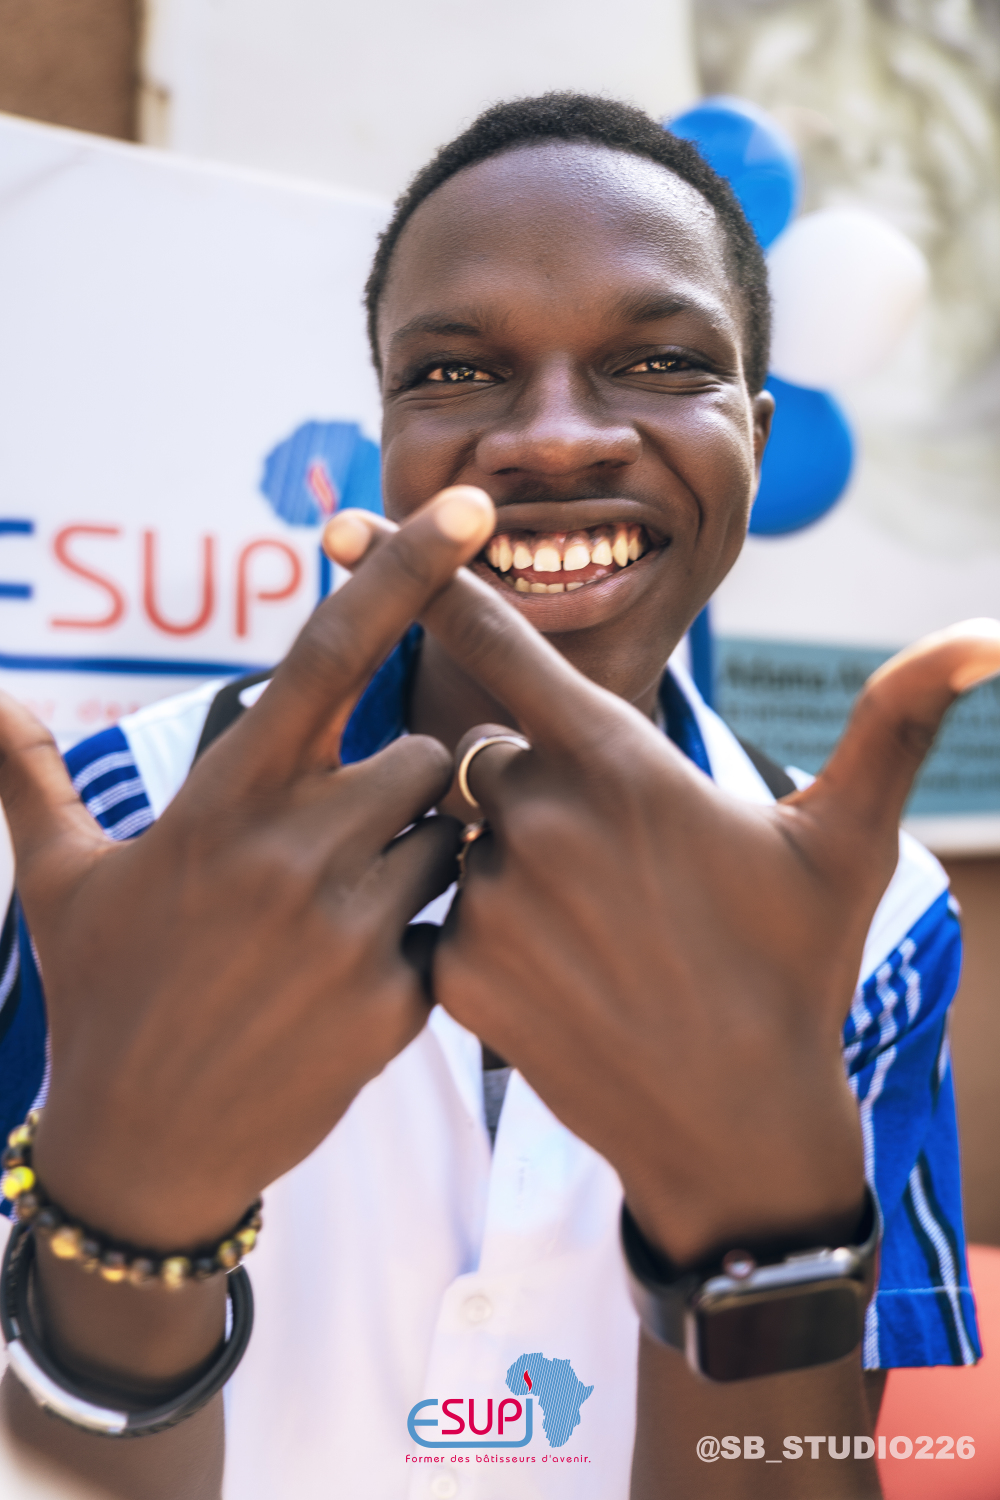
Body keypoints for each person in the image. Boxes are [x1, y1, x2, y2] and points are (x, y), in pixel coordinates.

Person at [0, 94, 994, 1500]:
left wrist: (753, 1243)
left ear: (758, 439)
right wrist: (130, 1235)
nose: (558, 440)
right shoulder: (129, 818)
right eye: (456, 373)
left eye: (661, 361)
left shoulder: (877, 915)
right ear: (388, 439)